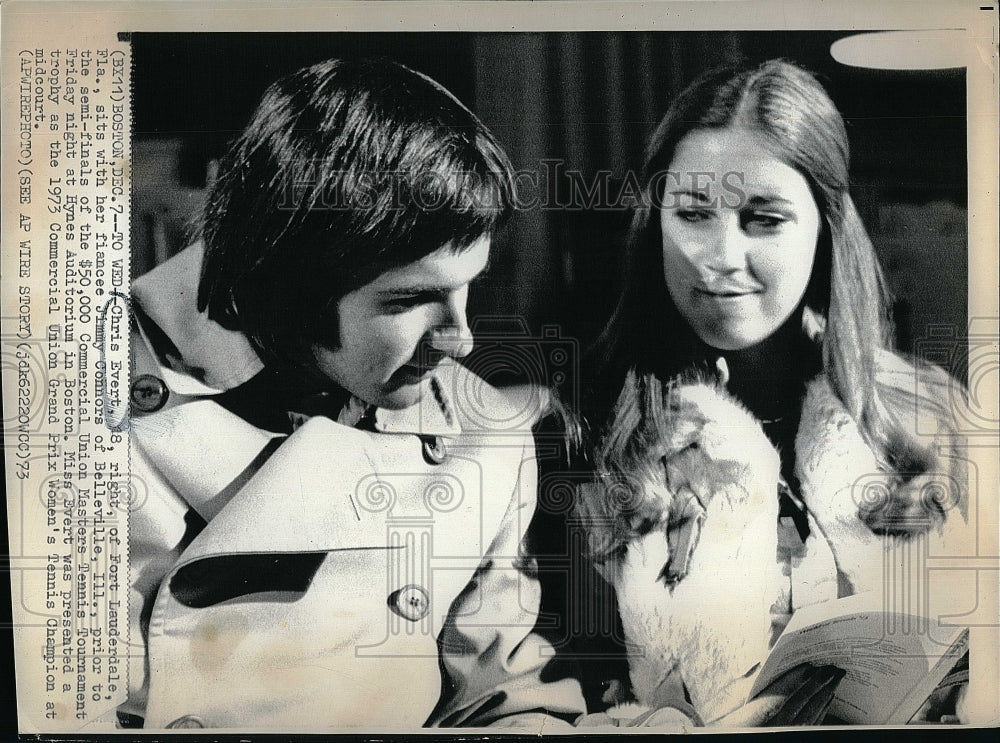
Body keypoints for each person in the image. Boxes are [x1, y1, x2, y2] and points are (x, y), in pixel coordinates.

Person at [122, 57, 587, 729]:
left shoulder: (485, 437)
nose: (460, 339)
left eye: (468, 287)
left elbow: (499, 697)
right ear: (293, 281)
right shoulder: (83, 416)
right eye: (411, 299)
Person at [573, 59, 968, 725]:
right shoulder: (576, 429)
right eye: (693, 213)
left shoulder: (933, 413)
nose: (721, 254)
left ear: (827, 226)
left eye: (763, 218)